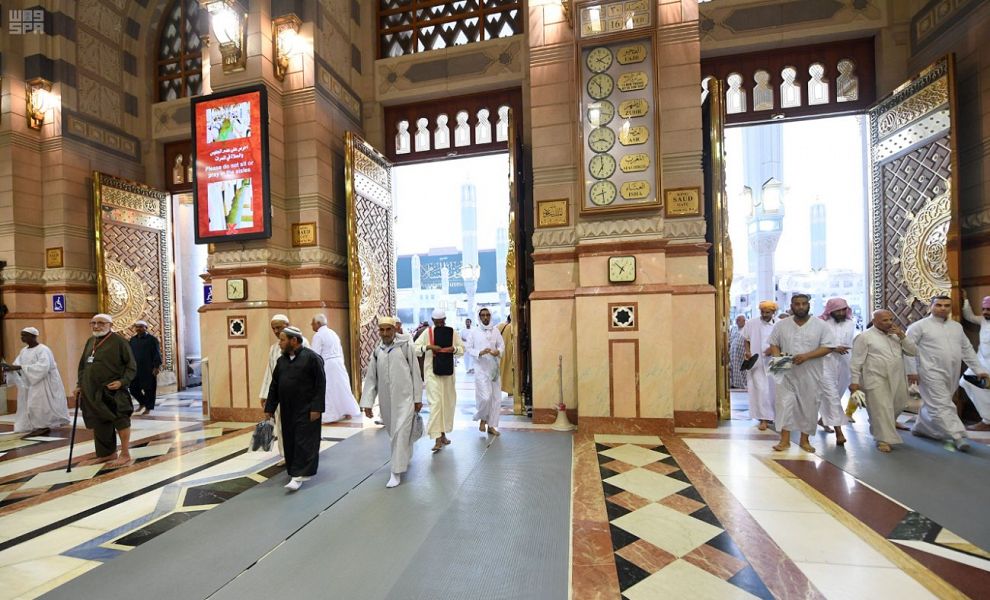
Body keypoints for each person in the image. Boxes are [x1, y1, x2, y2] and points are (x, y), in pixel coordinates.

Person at [906, 296, 989, 451]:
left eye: (947, 305)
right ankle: (957, 436)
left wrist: (978, 370)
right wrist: (912, 371)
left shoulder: (956, 327)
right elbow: (907, 350)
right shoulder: (918, 327)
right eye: (938, 305)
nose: (943, 308)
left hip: (951, 372)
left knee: (937, 402)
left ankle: (921, 428)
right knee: (941, 404)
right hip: (928, 371)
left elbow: (966, 349)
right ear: (930, 307)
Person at [768, 294, 835, 453]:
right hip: (785, 370)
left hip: (811, 371)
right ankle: (784, 440)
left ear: (808, 305)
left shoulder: (821, 325)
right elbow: (773, 343)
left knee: (809, 405)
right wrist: (779, 359)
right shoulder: (781, 325)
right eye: (797, 304)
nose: (800, 307)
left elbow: (828, 347)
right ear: (791, 306)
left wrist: (806, 356)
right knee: (784, 404)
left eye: (804, 304)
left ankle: (804, 441)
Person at [361, 316, 423, 488]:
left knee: (400, 432)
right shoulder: (378, 351)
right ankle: (404, 455)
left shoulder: (405, 346)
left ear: (395, 330)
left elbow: (415, 373)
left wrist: (418, 398)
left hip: (406, 399)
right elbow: (371, 378)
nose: (385, 333)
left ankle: (395, 472)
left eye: (388, 329)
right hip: (386, 401)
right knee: (395, 433)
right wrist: (368, 402)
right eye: (382, 330)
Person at [264, 326, 325, 491]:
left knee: (304, 441)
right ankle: (294, 471)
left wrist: (317, 408)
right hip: (287, 409)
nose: (280, 343)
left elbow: (320, 385)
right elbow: (274, 386)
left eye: (282, 340)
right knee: (290, 439)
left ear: (294, 340)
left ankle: (299, 476)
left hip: (307, 409)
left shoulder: (312, 358)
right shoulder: (281, 361)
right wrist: (270, 408)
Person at [73, 314, 137, 467]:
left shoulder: (120, 342)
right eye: (93, 323)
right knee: (99, 422)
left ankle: (125, 454)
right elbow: (83, 366)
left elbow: (131, 366)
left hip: (113, 390)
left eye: (101, 323)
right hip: (92, 390)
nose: (96, 326)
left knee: (120, 419)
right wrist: (79, 385)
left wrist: (122, 382)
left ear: (110, 325)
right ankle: (107, 454)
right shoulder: (90, 341)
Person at [849, 310, 917, 452]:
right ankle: (882, 440)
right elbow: (856, 361)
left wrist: (902, 336)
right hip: (875, 377)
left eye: (890, 319)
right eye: (884, 320)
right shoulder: (864, 337)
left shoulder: (897, 335)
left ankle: (878, 424)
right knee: (881, 409)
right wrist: (854, 381)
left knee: (899, 404)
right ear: (874, 321)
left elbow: (913, 352)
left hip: (897, 377)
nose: (889, 323)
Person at [2, 327, 70, 435]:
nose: (22, 337)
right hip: (30, 381)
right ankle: (33, 425)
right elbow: (17, 364)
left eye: (25, 335)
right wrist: (10, 368)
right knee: (30, 404)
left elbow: (43, 367)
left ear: (33, 336)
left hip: (43, 381)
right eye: (21, 335)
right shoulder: (24, 351)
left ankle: (42, 426)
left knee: (38, 405)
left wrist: (20, 367)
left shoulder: (43, 349)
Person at [260, 314, 308, 461]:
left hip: (298, 396)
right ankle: (286, 455)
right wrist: (265, 395)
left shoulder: (302, 343)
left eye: (279, 327)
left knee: (299, 426)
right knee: (281, 426)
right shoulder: (274, 348)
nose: (275, 331)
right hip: (280, 394)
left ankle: (301, 455)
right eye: (273, 328)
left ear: (287, 325)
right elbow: (270, 372)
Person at [415, 309, 464, 452]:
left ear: (445, 320)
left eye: (442, 322)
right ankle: (437, 438)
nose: (440, 324)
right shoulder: (428, 332)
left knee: (447, 403)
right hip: (431, 373)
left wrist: (453, 349)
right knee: (436, 404)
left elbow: (462, 349)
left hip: (448, 373)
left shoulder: (452, 332)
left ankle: (442, 434)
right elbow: (414, 348)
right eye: (437, 322)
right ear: (433, 321)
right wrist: (428, 347)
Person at [310, 314, 360, 423]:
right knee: (342, 388)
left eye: (312, 323)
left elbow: (315, 355)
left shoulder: (318, 335)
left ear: (318, 323)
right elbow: (340, 351)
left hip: (327, 365)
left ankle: (330, 416)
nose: (311, 325)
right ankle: (348, 411)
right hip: (339, 363)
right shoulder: (333, 333)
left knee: (328, 390)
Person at [817, 298, 854, 446]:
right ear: (830, 310)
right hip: (825, 362)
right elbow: (814, 343)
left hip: (844, 362)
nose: (841, 313)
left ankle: (823, 419)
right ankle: (839, 432)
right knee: (831, 395)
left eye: (844, 309)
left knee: (837, 394)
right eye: (838, 310)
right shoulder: (820, 323)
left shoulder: (850, 323)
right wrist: (833, 348)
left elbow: (850, 342)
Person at [466, 307, 505, 436]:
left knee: (496, 398)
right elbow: (468, 348)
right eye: (483, 315)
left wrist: (498, 351)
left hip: (494, 369)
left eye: (487, 315)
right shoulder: (474, 332)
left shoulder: (495, 331)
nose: (485, 317)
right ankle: (483, 418)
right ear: (479, 317)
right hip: (481, 369)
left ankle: (492, 425)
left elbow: (501, 345)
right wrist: (480, 352)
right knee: (485, 397)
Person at [742, 301, 777, 430]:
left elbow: (785, 341)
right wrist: (747, 351)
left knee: (776, 389)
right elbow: (746, 339)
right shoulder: (752, 323)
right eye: (763, 312)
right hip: (757, 361)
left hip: (777, 361)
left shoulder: (780, 324)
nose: (765, 314)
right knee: (760, 389)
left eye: (768, 312)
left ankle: (775, 417)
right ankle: (763, 418)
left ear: (773, 312)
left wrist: (773, 349)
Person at [959, 295, 990, 431]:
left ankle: (987, 420)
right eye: (983, 309)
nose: (985, 312)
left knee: (986, 389)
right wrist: (965, 299)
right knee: (965, 382)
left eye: (988, 309)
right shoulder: (983, 320)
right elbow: (969, 316)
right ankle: (987, 418)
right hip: (980, 363)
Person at [128, 320, 162, 416]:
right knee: (133, 388)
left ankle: (148, 407)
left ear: (146, 328)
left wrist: (156, 367)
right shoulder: (133, 340)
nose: (138, 328)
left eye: (141, 326)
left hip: (148, 369)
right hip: (136, 369)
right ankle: (142, 403)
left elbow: (157, 353)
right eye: (137, 327)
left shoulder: (152, 340)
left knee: (149, 390)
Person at [498, 315, 515, 397]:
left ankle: (498, 388)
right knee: (510, 371)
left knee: (500, 371)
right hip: (511, 353)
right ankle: (510, 390)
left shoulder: (500, 326)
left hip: (500, 353)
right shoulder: (513, 327)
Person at [729, 314, 747, 389]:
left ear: (744, 321)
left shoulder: (747, 328)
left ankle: (742, 383)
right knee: (733, 367)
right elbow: (730, 338)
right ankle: (734, 383)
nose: (737, 322)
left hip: (742, 353)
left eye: (739, 320)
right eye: (736, 320)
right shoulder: (734, 328)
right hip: (733, 353)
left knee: (742, 369)